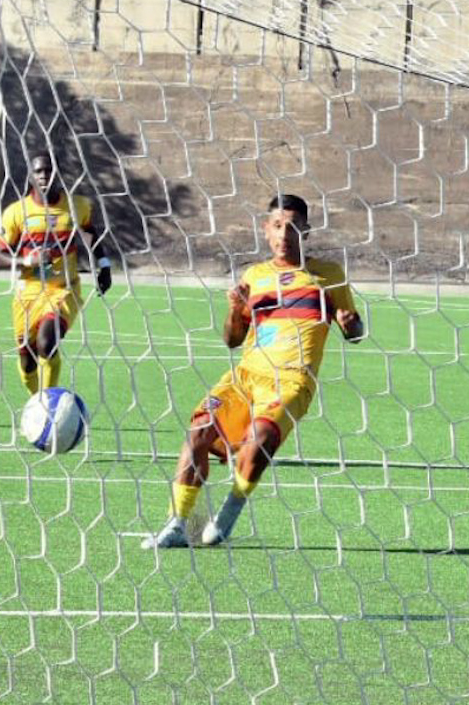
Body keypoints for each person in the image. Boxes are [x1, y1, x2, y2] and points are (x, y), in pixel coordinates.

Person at [146, 195, 363, 549]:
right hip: (245, 376)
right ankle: (176, 524)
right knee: (198, 432)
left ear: (305, 231)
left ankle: (229, 512)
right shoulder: (254, 276)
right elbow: (232, 339)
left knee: (260, 438)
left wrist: (352, 325)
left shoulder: (329, 275)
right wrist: (235, 310)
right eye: (277, 225)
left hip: (292, 379)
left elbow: (354, 333)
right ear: (266, 229)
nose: (284, 234)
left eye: (292, 226)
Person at [0, 153, 114, 400]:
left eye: (49, 170)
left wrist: (104, 265)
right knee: (27, 360)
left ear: (59, 173)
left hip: (63, 289)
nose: (44, 175)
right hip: (28, 294)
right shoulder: (16, 212)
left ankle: (47, 403)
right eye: (39, 172)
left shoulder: (77, 206)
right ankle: (35, 399)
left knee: (47, 343)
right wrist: (27, 260)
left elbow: (90, 232)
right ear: (30, 176)